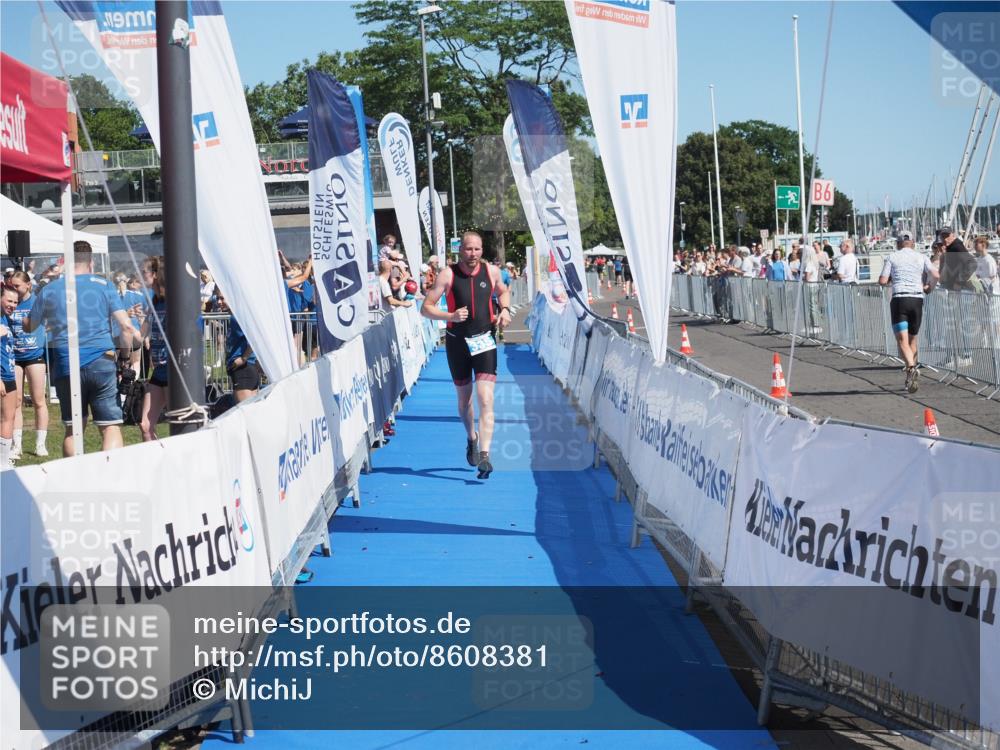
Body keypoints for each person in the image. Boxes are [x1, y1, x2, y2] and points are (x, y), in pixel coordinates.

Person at [25, 241, 140, 456]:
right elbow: (126, 326)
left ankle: (75, 481)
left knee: (74, 428)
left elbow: (30, 326)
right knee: (110, 426)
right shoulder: (104, 285)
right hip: (101, 360)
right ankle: (111, 477)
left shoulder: (49, 289)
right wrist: (124, 356)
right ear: (91, 261)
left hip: (66, 363)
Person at [421, 231, 511, 479]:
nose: (473, 254)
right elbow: (425, 308)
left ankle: (484, 455)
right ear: (461, 249)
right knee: (465, 401)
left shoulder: (491, 272)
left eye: (477, 249)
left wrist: (504, 309)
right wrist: (449, 317)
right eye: (469, 249)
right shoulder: (448, 274)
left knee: (486, 398)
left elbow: (503, 291)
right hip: (457, 343)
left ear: (482, 250)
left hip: (484, 340)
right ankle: (471, 437)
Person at [879, 232, 939, 393]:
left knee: (902, 341)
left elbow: (883, 280)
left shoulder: (892, 257)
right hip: (917, 299)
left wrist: (892, 278)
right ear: (912, 243)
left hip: (900, 299)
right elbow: (935, 274)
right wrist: (928, 288)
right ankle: (909, 378)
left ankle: (911, 369)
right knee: (913, 340)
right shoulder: (922, 257)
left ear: (898, 243)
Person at [6, 271, 49, 458]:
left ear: (28, 285)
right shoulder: (9, 302)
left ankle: (40, 444)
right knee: (16, 402)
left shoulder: (37, 301)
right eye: (11, 285)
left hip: (34, 355)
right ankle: (17, 445)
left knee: (39, 400)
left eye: (17, 286)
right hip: (14, 356)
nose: (13, 289)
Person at [140, 256, 169, 442]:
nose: (141, 276)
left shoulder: (174, 299)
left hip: (173, 368)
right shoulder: (154, 300)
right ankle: (156, 464)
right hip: (158, 369)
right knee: (145, 425)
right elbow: (140, 335)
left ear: (156, 274)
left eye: (144, 272)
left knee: (180, 421)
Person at [1, 287, 19, 468]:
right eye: (9, 301)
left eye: (15, 302)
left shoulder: (6, 318)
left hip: (9, 373)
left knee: (10, 416)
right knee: (6, 418)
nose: (13, 305)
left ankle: (4, 461)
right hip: (2, 376)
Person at [226, 314, 262, 402]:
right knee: (252, 411)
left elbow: (255, 337)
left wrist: (243, 358)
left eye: (222, 299)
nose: (219, 302)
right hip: (245, 370)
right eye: (218, 299)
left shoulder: (239, 317)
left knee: (245, 412)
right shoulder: (235, 316)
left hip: (244, 371)